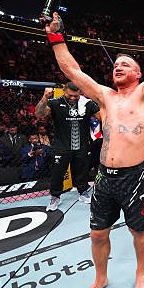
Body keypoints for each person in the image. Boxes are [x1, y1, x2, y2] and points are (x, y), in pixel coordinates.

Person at [42, 0, 144, 288]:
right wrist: (56, 36)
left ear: (139, 73)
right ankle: (100, 278)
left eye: (125, 64)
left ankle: (141, 273)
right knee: (98, 233)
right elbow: (71, 70)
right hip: (104, 175)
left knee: (138, 230)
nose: (118, 66)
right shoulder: (105, 96)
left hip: (134, 176)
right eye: (116, 64)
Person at [35, 82, 99, 211]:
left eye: (76, 95)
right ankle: (55, 197)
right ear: (64, 91)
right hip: (61, 146)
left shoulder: (87, 103)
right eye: (70, 95)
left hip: (82, 145)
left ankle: (83, 192)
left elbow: (101, 116)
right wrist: (45, 97)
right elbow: (40, 114)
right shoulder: (55, 102)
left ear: (81, 93)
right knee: (58, 173)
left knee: (82, 171)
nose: (73, 98)